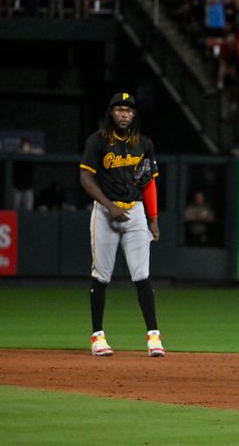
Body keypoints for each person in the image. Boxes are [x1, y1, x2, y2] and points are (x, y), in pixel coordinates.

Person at [79, 92, 165, 358]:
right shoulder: (97, 141)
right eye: (119, 109)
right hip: (106, 212)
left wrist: (153, 218)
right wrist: (109, 206)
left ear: (134, 114)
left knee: (142, 275)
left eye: (128, 109)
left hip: (136, 211)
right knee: (101, 275)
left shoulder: (145, 144)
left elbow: (149, 182)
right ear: (111, 113)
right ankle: (98, 337)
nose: (124, 114)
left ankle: (153, 337)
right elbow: (85, 178)